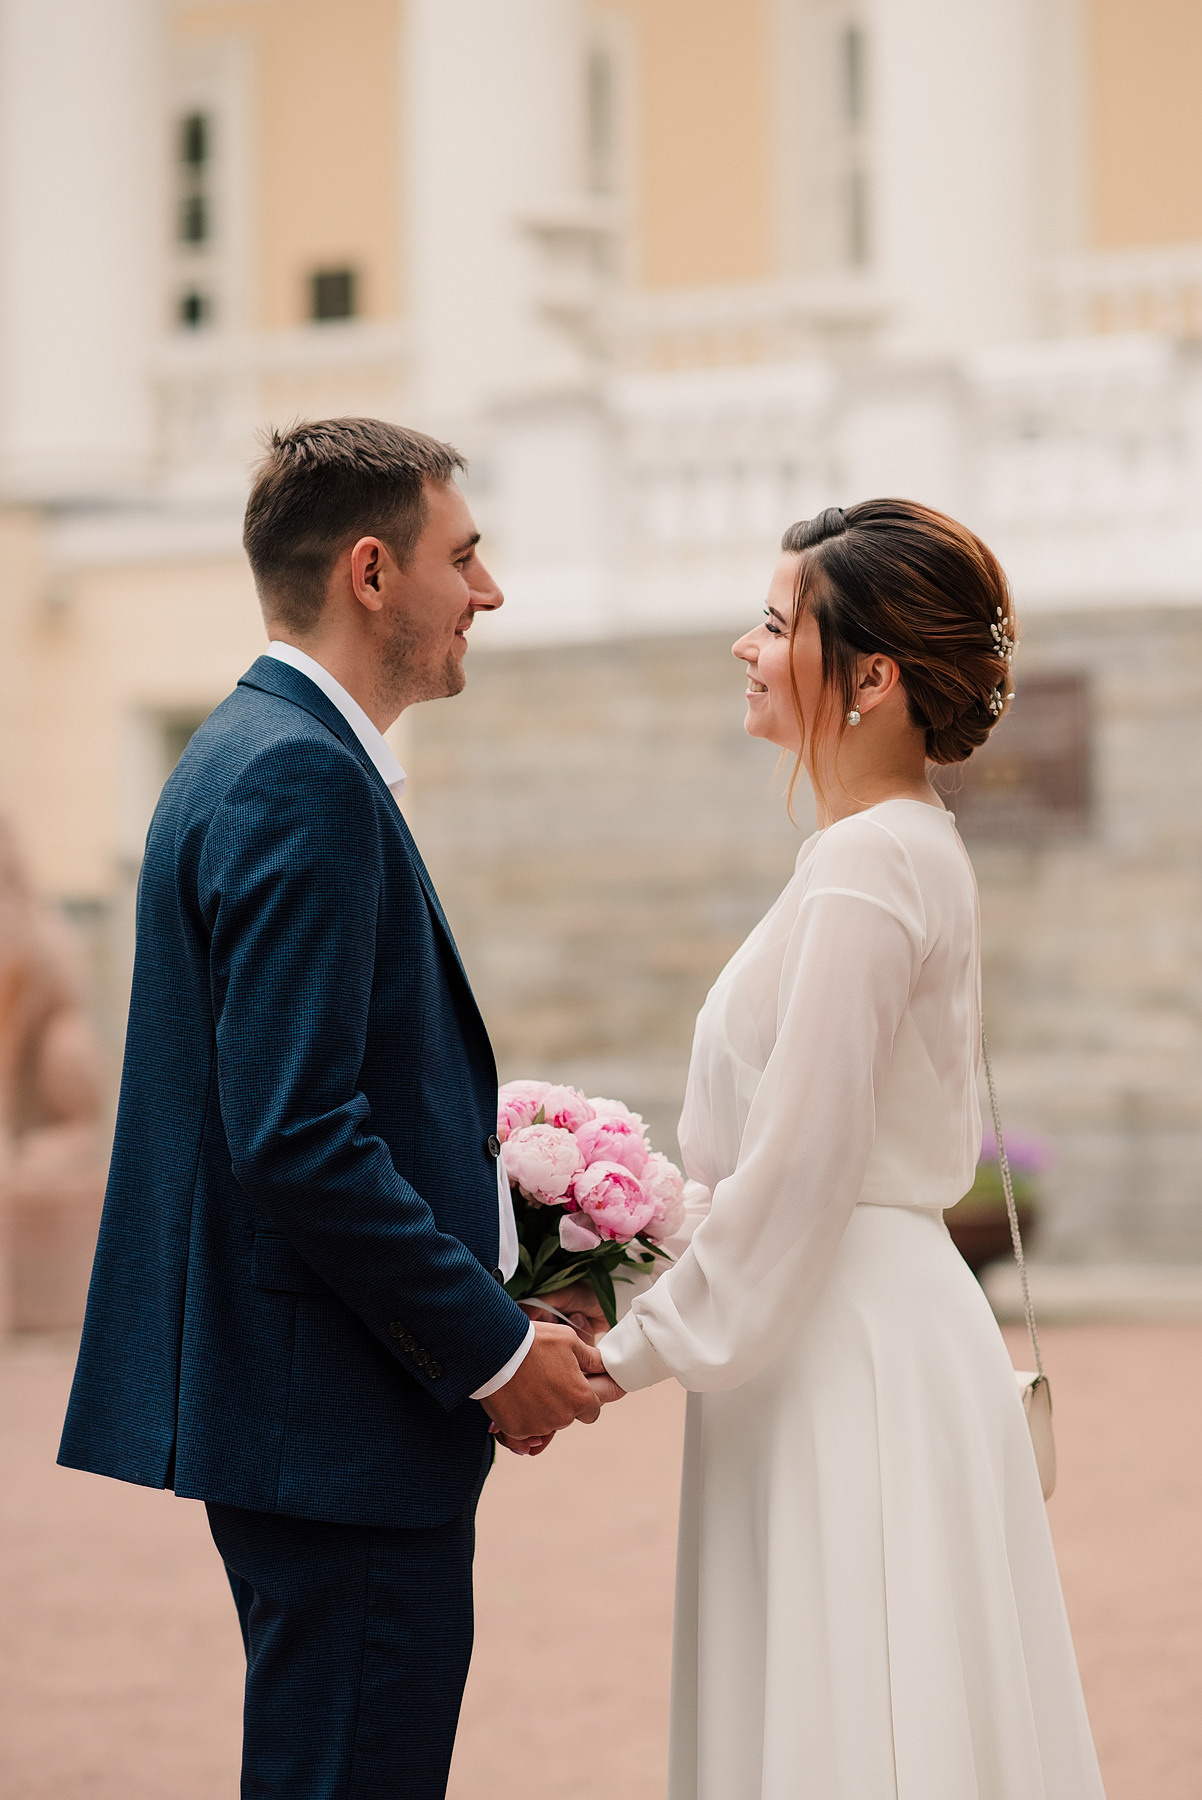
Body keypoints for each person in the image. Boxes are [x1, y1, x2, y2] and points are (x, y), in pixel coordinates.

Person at [58, 417, 610, 1799]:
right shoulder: (301, 777)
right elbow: (295, 1134)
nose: (488, 592)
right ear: (373, 572)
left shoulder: (248, 748)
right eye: (464, 556)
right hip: (341, 1429)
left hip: (310, 1415)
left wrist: (513, 1263)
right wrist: (491, 1348)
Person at [595, 501, 1107, 1799]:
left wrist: (616, 1350)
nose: (743, 648)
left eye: (776, 625)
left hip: (839, 1343)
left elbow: (801, 1165)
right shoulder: (894, 848)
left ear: (870, 678)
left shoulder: (865, 867)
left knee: (853, 1711)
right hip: (854, 1326)